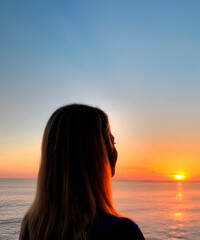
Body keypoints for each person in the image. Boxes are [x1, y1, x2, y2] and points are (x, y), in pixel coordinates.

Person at [19, 103, 145, 240]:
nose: (115, 153)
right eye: (112, 143)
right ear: (96, 155)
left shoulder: (31, 226)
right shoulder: (122, 232)